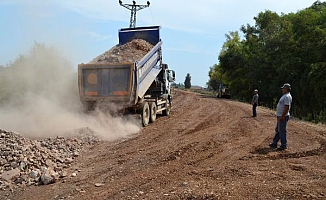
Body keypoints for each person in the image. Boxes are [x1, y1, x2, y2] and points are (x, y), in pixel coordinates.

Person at [269, 83, 292, 151]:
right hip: (280, 116)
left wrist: (283, 116)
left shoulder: (287, 96)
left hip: (283, 116)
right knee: (278, 130)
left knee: (282, 130)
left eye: (283, 88)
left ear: (287, 89)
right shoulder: (285, 96)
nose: (282, 89)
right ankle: (275, 143)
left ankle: (283, 145)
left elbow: (287, 107)